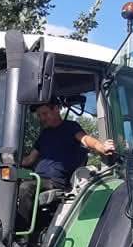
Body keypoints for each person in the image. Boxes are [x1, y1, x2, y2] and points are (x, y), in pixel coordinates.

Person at [16, 99, 117, 231]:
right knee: (9, 184)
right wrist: (10, 159)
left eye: (45, 114)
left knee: (25, 188)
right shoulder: (45, 134)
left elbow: (85, 140)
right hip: (37, 178)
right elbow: (29, 160)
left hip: (54, 181)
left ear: (56, 109)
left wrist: (100, 146)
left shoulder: (70, 127)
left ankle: (21, 234)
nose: (42, 118)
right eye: (39, 115)